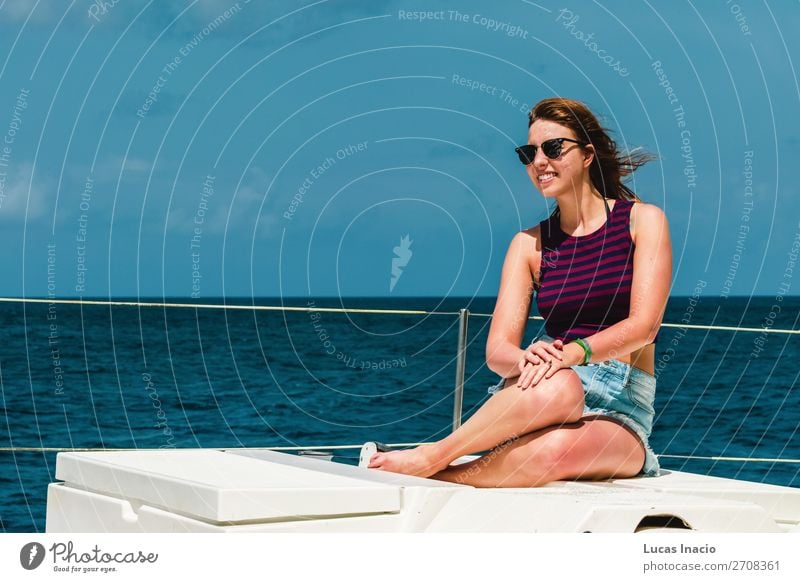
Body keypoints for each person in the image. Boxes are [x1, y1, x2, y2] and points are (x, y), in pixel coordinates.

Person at [368, 97, 672, 486]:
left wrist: (571, 353)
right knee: (562, 387)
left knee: (553, 452)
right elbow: (498, 352)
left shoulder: (642, 222)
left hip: (620, 407)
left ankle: (438, 471)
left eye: (553, 148)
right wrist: (530, 358)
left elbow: (644, 326)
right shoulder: (529, 245)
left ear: (588, 155)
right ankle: (435, 455)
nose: (539, 162)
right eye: (529, 153)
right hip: (545, 390)